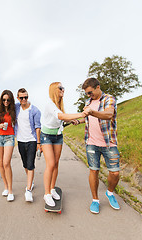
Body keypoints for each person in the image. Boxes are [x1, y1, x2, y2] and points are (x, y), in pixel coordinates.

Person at [76, 77, 121, 214]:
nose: (89, 96)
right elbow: (88, 117)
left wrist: (91, 112)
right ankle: (95, 200)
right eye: (87, 94)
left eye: (90, 92)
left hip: (108, 143)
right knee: (94, 170)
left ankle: (110, 192)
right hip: (91, 143)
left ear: (97, 87)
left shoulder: (109, 99)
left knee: (115, 172)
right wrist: (78, 121)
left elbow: (108, 114)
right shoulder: (88, 102)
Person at [41, 82, 86, 207]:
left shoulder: (59, 105)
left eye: (63, 88)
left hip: (58, 136)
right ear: (54, 90)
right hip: (47, 136)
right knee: (50, 164)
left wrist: (72, 120)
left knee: (55, 164)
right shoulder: (50, 104)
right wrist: (82, 114)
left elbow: (62, 118)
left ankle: (52, 188)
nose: (63, 90)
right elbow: (60, 116)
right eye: (61, 88)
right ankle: (46, 194)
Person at [14, 88, 41, 202]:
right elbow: (4, 105)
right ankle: (31, 181)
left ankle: (28, 190)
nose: (24, 99)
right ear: (18, 98)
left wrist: (39, 143)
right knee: (25, 164)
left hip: (32, 140)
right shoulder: (16, 108)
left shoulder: (35, 110)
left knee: (30, 164)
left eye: (26, 97)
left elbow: (38, 127)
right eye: (21, 97)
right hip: (20, 141)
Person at [0, 90, 16, 202]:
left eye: (8, 100)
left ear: (11, 100)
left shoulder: (13, 109)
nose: (6, 101)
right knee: (1, 163)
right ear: (1, 99)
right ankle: (5, 187)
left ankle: (10, 190)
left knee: (6, 163)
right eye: (4, 99)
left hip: (9, 137)